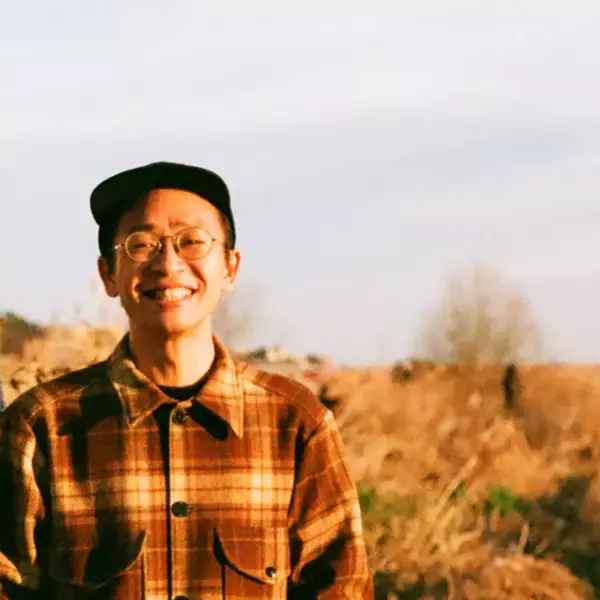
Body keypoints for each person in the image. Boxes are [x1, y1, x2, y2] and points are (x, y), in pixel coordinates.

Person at [0, 161, 374, 599]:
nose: (168, 263)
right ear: (108, 274)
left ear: (230, 267)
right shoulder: (41, 427)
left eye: (192, 241)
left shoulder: (295, 423)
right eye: (142, 244)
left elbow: (342, 588)